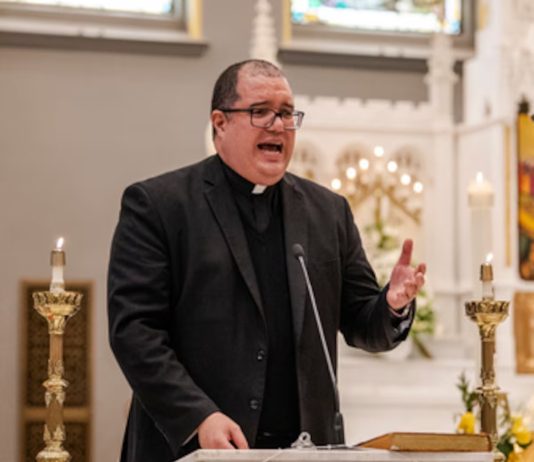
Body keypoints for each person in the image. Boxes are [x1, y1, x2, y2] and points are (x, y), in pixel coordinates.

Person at [107, 59, 426, 462]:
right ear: (220, 123)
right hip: (193, 447)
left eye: (288, 113)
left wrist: (392, 305)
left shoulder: (328, 213)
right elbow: (135, 332)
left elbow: (364, 325)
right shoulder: (160, 206)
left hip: (305, 451)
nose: (278, 126)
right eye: (261, 111)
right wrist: (198, 416)